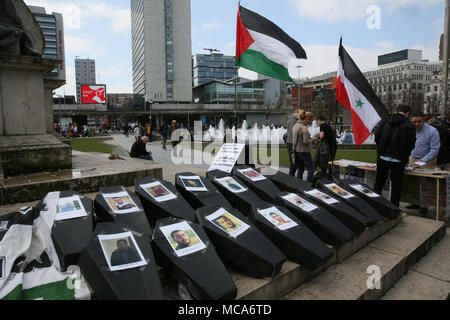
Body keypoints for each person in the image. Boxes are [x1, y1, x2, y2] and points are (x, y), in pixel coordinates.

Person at [374, 104, 416, 207]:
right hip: (398, 159)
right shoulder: (409, 124)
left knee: (379, 182)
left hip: (383, 156)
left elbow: (377, 135)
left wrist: (381, 148)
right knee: (396, 185)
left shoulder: (385, 121)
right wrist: (405, 153)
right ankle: (394, 208)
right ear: (408, 113)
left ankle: (374, 205)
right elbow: (411, 142)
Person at [292, 111, 315, 182]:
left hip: (297, 151)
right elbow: (305, 142)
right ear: (307, 119)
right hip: (304, 151)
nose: (311, 122)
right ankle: (309, 185)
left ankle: (299, 185)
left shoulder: (296, 125)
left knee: (300, 169)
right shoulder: (304, 127)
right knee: (311, 169)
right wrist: (312, 139)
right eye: (311, 120)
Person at [285, 107, 301, 176]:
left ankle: (291, 175)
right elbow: (292, 133)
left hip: (291, 142)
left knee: (293, 160)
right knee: (293, 160)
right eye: (300, 112)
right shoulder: (293, 120)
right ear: (297, 112)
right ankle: (291, 175)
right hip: (292, 143)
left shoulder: (292, 119)